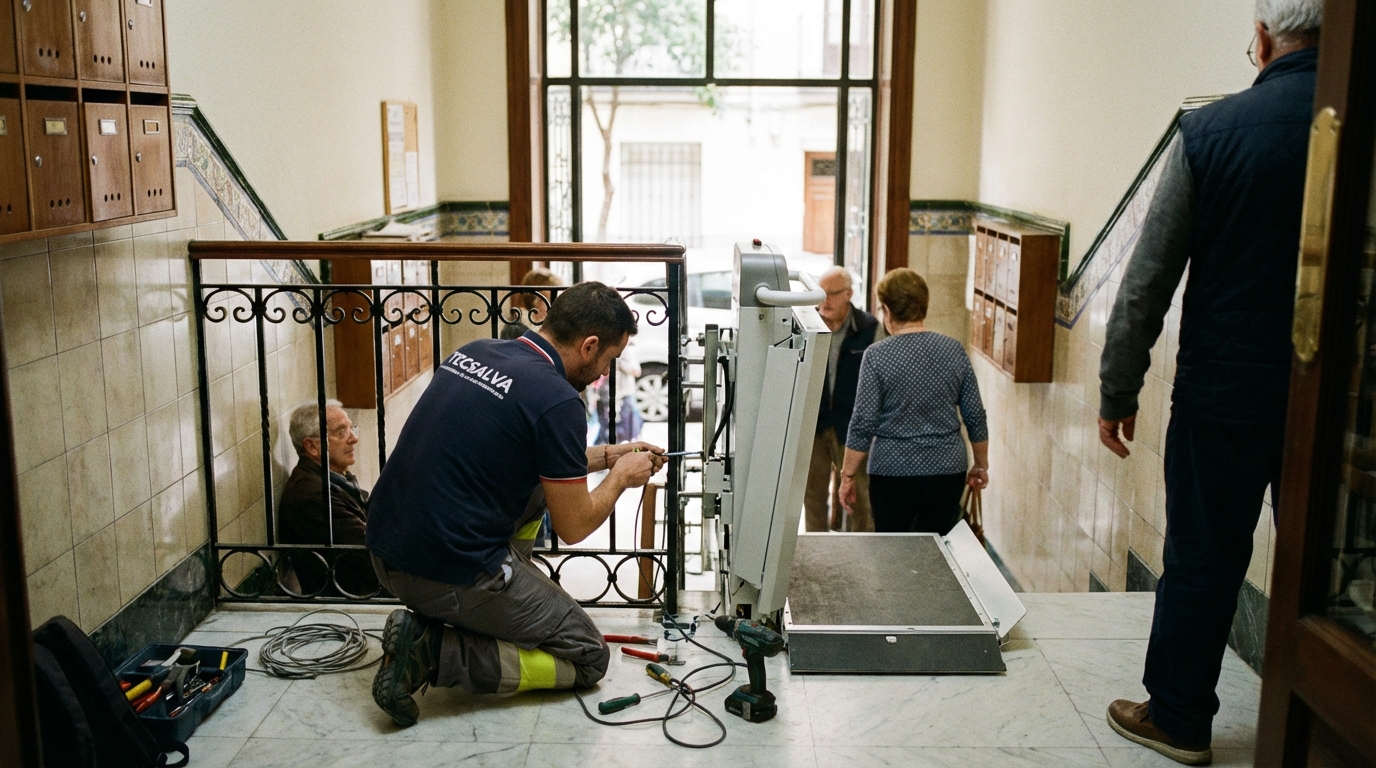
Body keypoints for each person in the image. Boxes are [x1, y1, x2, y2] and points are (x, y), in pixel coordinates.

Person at [1095, 2, 1320, 763]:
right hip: (1335, 402)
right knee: (1325, 566)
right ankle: (1320, 726)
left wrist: (1116, 393)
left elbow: (1144, 285)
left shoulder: (1210, 134)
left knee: (1202, 554)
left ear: (1261, 40)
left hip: (1224, 389)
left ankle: (1180, 717)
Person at [365, 281, 664, 727]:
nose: (605, 371)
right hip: (441, 571)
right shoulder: (558, 399)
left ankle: (499, 596)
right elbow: (574, 525)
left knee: (541, 482)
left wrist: (607, 456)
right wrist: (620, 479)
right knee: (587, 657)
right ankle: (435, 653)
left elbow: (529, 452)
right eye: (609, 359)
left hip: (385, 547)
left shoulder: (479, 351)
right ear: (589, 346)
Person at [840, 268, 989, 534]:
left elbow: (862, 423)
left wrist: (848, 475)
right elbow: (975, 415)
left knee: (894, 550)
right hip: (946, 471)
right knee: (938, 548)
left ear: (887, 310)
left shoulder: (877, 355)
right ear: (924, 305)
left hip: (891, 473)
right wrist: (980, 464)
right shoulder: (953, 349)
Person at [805, 266, 882, 532]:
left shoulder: (869, 328)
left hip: (852, 428)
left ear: (848, 294)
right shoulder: (807, 326)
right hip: (814, 424)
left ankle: (859, 555)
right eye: (819, 294)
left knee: (857, 497)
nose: (824, 301)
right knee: (812, 497)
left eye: (831, 294)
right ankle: (816, 552)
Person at [278, 400, 377, 597]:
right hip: (354, 597)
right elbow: (370, 550)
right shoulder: (313, 495)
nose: (353, 438)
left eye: (351, 428)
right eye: (341, 432)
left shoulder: (333, 478)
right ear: (312, 446)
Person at [500, 266, 563, 340]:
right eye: (548, 300)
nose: (553, 306)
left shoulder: (551, 327)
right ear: (532, 300)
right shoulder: (516, 328)